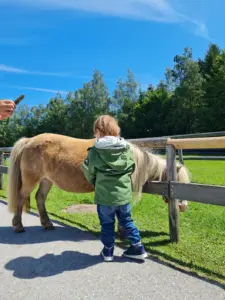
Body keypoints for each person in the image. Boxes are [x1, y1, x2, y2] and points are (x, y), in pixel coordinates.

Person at [81, 115, 147, 262]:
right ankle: (138, 247)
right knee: (127, 221)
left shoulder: (94, 152)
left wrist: (95, 181)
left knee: (107, 224)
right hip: (123, 197)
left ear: (98, 131)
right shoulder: (126, 149)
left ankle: (108, 251)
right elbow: (131, 167)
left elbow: (88, 170)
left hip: (104, 198)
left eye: (95, 133)